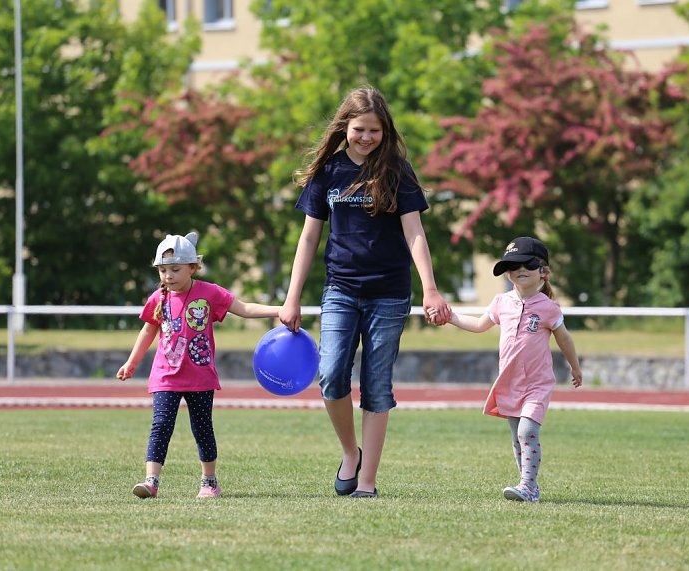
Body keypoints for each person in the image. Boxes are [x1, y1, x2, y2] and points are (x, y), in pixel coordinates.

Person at [279, 86, 451, 499]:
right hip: (340, 289)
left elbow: (415, 233)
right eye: (359, 129)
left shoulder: (398, 172)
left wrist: (429, 288)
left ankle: (368, 481)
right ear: (345, 128)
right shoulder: (329, 173)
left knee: (377, 385)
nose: (366, 137)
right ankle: (349, 454)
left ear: (384, 130)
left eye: (374, 130)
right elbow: (308, 239)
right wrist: (291, 297)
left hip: (389, 294)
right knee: (331, 375)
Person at [117, 231, 279, 499]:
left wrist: (279, 310)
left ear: (193, 267)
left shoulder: (210, 293)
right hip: (165, 376)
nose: (168, 276)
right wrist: (131, 362)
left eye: (175, 270)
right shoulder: (158, 299)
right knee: (161, 426)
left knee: (202, 428)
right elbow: (147, 332)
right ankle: (151, 481)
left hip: (200, 377)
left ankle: (210, 482)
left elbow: (244, 309)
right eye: (163, 270)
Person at [427, 236, 582, 503]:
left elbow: (564, 338)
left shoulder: (548, 307)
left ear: (543, 272)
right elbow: (479, 325)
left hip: (537, 383)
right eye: (513, 265)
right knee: (516, 436)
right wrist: (450, 316)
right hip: (509, 382)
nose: (520, 269)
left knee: (527, 432)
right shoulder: (501, 302)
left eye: (528, 263)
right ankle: (528, 484)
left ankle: (528, 486)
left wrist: (575, 367)